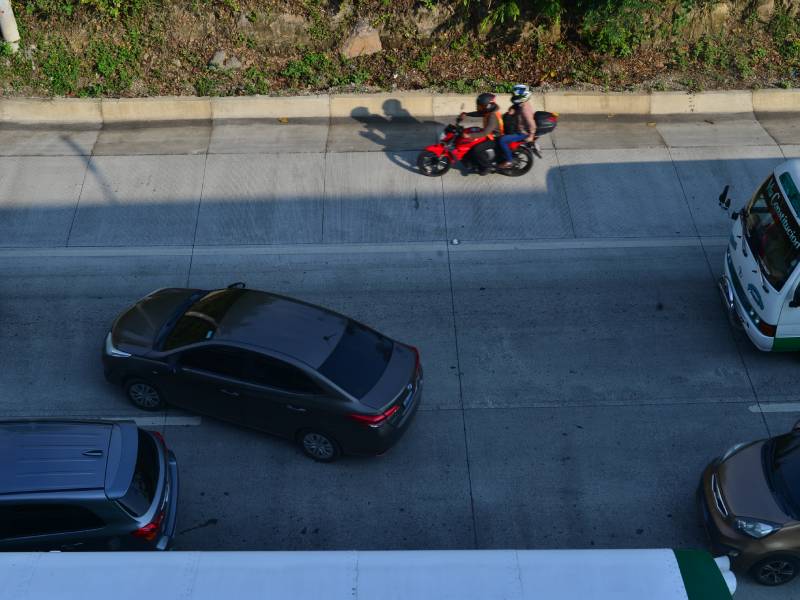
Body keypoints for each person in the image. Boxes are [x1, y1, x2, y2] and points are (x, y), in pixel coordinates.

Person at [497, 84, 542, 169]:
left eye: (515, 96)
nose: (513, 97)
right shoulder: (522, 104)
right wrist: (512, 110)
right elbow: (516, 108)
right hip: (518, 128)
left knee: (502, 140)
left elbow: (532, 124)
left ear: (522, 97)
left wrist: (531, 136)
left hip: (523, 133)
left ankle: (509, 161)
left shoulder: (525, 109)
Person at [459, 92, 504, 175]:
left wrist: (469, 135)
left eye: (480, 106)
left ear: (487, 106)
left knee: (476, 149)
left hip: (496, 138)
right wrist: (466, 114)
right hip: (490, 135)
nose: (478, 107)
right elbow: (479, 113)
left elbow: (485, 132)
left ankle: (487, 167)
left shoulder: (493, 116)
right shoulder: (489, 111)